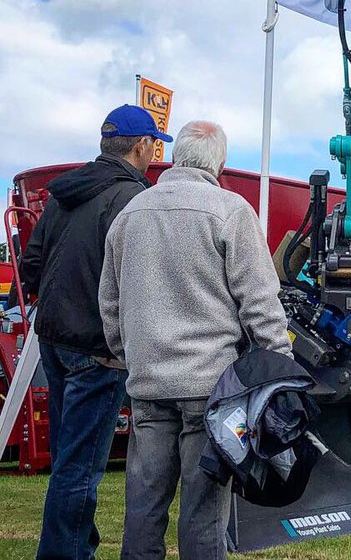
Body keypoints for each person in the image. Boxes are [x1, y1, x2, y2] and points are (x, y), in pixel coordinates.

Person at [100, 120, 292, 560]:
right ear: (219, 165)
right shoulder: (231, 211)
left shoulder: (129, 215)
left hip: (148, 385)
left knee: (143, 508)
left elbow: (109, 303)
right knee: (203, 512)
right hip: (210, 390)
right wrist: (280, 365)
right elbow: (260, 302)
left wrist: (131, 356)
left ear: (174, 158)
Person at [17, 104, 165, 559]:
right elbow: (140, 278)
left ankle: (75, 547)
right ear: (142, 146)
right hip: (98, 348)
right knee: (79, 468)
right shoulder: (132, 198)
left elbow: (30, 263)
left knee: (68, 459)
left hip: (54, 338)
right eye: (154, 146)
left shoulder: (65, 191)